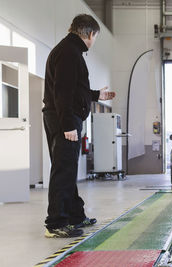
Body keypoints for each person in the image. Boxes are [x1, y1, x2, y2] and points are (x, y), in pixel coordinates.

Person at [42, 14, 115, 238]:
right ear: (90, 34)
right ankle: (56, 223)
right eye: (95, 38)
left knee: (67, 170)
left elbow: (73, 88)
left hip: (65, 116)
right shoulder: (68, 53)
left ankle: (75, 215)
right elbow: (62, 92)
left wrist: (96, 94)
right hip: (65, 119)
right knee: (63, 171)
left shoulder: (68, 51)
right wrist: (68, 125)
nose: (93, 42)